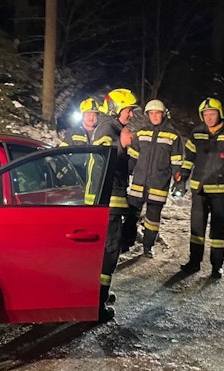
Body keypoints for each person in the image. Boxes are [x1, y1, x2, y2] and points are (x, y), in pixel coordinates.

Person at [173, 97, 224, 278]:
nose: (209, 118)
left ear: (219, 114)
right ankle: (194, 262)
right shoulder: (197, 133)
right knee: (196, 228)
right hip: (199, 189)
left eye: (212, 114)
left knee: (218, 229)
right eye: (205, 114)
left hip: (220, 191)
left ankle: (216, 265)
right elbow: (189, 158)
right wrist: (182, 178)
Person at [86, 87, 138, 322]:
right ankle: (97, 305)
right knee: (108, 251)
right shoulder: (108, 128)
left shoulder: (115, 128)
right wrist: (122, 146)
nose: (131, 114)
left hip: (111, 200)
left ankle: (99, 295)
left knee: (106, 251)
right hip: (108, 202)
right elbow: (102, 159)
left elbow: (123, 168)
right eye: (128, 109)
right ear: (117, 108)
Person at [126, 99, 185, 258]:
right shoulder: (141, 133)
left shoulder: (173, 136)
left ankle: (148, 246)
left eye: (157, 113)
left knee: (152, 219)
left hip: (158, 185)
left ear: (163, 114)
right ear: (147, 115)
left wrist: (179, 180)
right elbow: (132, 157)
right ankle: (126, 243)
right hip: (138, 184)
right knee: (131, 215)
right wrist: (125, 172)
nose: (154, 116)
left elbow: (177, 162)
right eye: (151, 113)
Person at [59, 97, 100, 178]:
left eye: (94, 114)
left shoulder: (101, 133)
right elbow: (61, 154)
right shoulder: (73, 133)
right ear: (82, 115)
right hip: (74, 176)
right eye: (88, 114)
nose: (91, 118)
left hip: (95, 177)